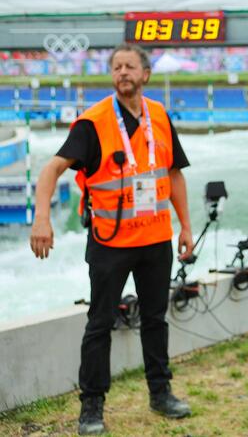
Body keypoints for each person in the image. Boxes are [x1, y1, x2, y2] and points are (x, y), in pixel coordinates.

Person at [29, 44, 194, 435]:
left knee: (155, 319)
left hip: (156, 241)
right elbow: (51, 170)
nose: (122, 72)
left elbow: (174, 175)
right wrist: (42, 219)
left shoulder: (159, 116)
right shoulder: (94, 122)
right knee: (99, 323)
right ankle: (91, 407)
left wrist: (186, 226)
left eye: (129, 66)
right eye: (116, 67)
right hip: (110, 243)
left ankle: (161, 393)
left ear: (145, 74)